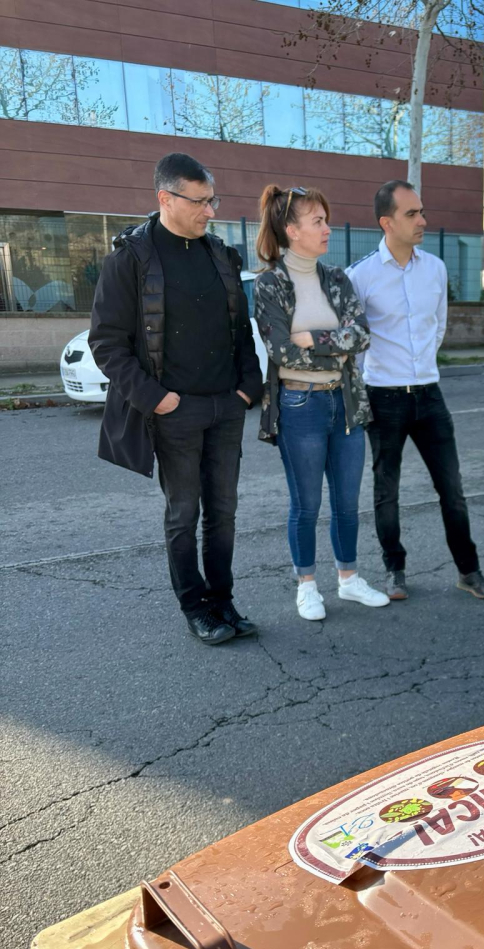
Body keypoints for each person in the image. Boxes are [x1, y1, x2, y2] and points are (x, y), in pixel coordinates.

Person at [89, 153, 263, 644]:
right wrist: (157, 399)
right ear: (165, 198)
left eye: (214, 200)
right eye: (201, 201)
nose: (211, 211)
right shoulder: (132, 259)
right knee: (184, 514)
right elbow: (106, 343)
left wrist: (248, 389)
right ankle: (195, 607)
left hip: (226, 407)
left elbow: (240, 331)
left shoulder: (221, 256)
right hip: (174, 413)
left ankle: (223, 600)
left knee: (224, 512)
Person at [346, 180, 484, 602]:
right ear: (386, 222)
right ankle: (395, 572)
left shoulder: (435, 268)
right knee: (386, 491)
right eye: (411, 214)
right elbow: (354, 345)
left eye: (422, 212)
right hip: (384, 397)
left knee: (452, 488)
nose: (422, 221)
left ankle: (469, 571)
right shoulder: (359, 276)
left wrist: (422, 368)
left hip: (430, 395)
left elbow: (439, 327)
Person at [254, 185, 388, 620]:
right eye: (318, 221)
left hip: (346, 401)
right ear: (291, 230)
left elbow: (363, 334)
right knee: (306, 504)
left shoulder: (336, 278)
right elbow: (282, 353)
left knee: (348, 502)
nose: (327, 228)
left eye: (325, 220)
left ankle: (348, 579)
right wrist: (337, 344)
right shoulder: (270, 284)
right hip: (300, 405)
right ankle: (307, 585)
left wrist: (313, 338)